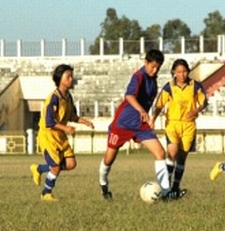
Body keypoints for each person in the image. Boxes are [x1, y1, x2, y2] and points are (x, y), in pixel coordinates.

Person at [98, 49, 177, 200]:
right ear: (145, 62)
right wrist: (141, 111)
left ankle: (166, 193)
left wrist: (149, 117)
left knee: (160, 153)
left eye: (158, 67)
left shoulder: (153, 80)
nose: (155, 70)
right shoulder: (138, 76)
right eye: (152, 66)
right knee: (109, 158)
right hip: (123, 122)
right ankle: (103, 184)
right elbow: (129, 96)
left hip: (141, 125)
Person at [30, 64, 95, 201]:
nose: (71, 79)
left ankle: (39, 169)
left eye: (72, 76)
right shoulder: (53, 98)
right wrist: (67, 128)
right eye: (68, 76)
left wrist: (84, 121)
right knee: (55, 167)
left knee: (71, 164)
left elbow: (72, 116)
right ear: (60, 79)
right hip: (48, 137)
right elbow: (49, 121)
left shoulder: (68, 97)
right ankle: (46, 193)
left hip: (60, 135)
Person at [150, 58, 208, 196]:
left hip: (189, 126)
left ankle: (175, 188)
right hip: (173, 124)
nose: (182, 75)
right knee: (172, 153)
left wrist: (195, 111)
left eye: (185, 71)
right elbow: (159, 105)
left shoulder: (195, 86)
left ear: (188, 71)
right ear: (174, 72)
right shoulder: (169, 87)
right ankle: (166, 187)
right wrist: (153, 119)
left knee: (181, 158)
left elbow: (204, 102)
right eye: (179, 72)